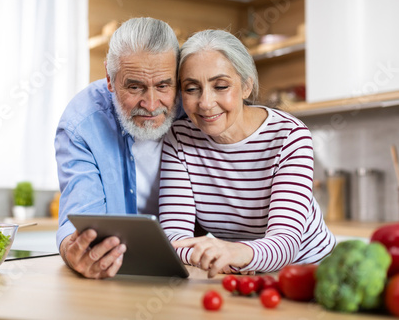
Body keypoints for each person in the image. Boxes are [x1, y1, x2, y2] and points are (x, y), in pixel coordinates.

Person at [159, 29, 336, 278]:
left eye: (220, 86)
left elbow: (285, 243)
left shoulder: (289, 136)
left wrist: (234, 254)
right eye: (191, 89)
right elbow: (173, 238)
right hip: (241, 272)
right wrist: (220, 256)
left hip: (310, 273)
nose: (206, 102)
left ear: (246, 86)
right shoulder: (179, 137)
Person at [55, 17, 180, 279]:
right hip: (118, 274)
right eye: (134, 87)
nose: (151, 103)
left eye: (163, 86)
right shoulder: (82, 123)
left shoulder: (196, 111)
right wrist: (73, 251)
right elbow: (79, 216)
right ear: (110, 80)